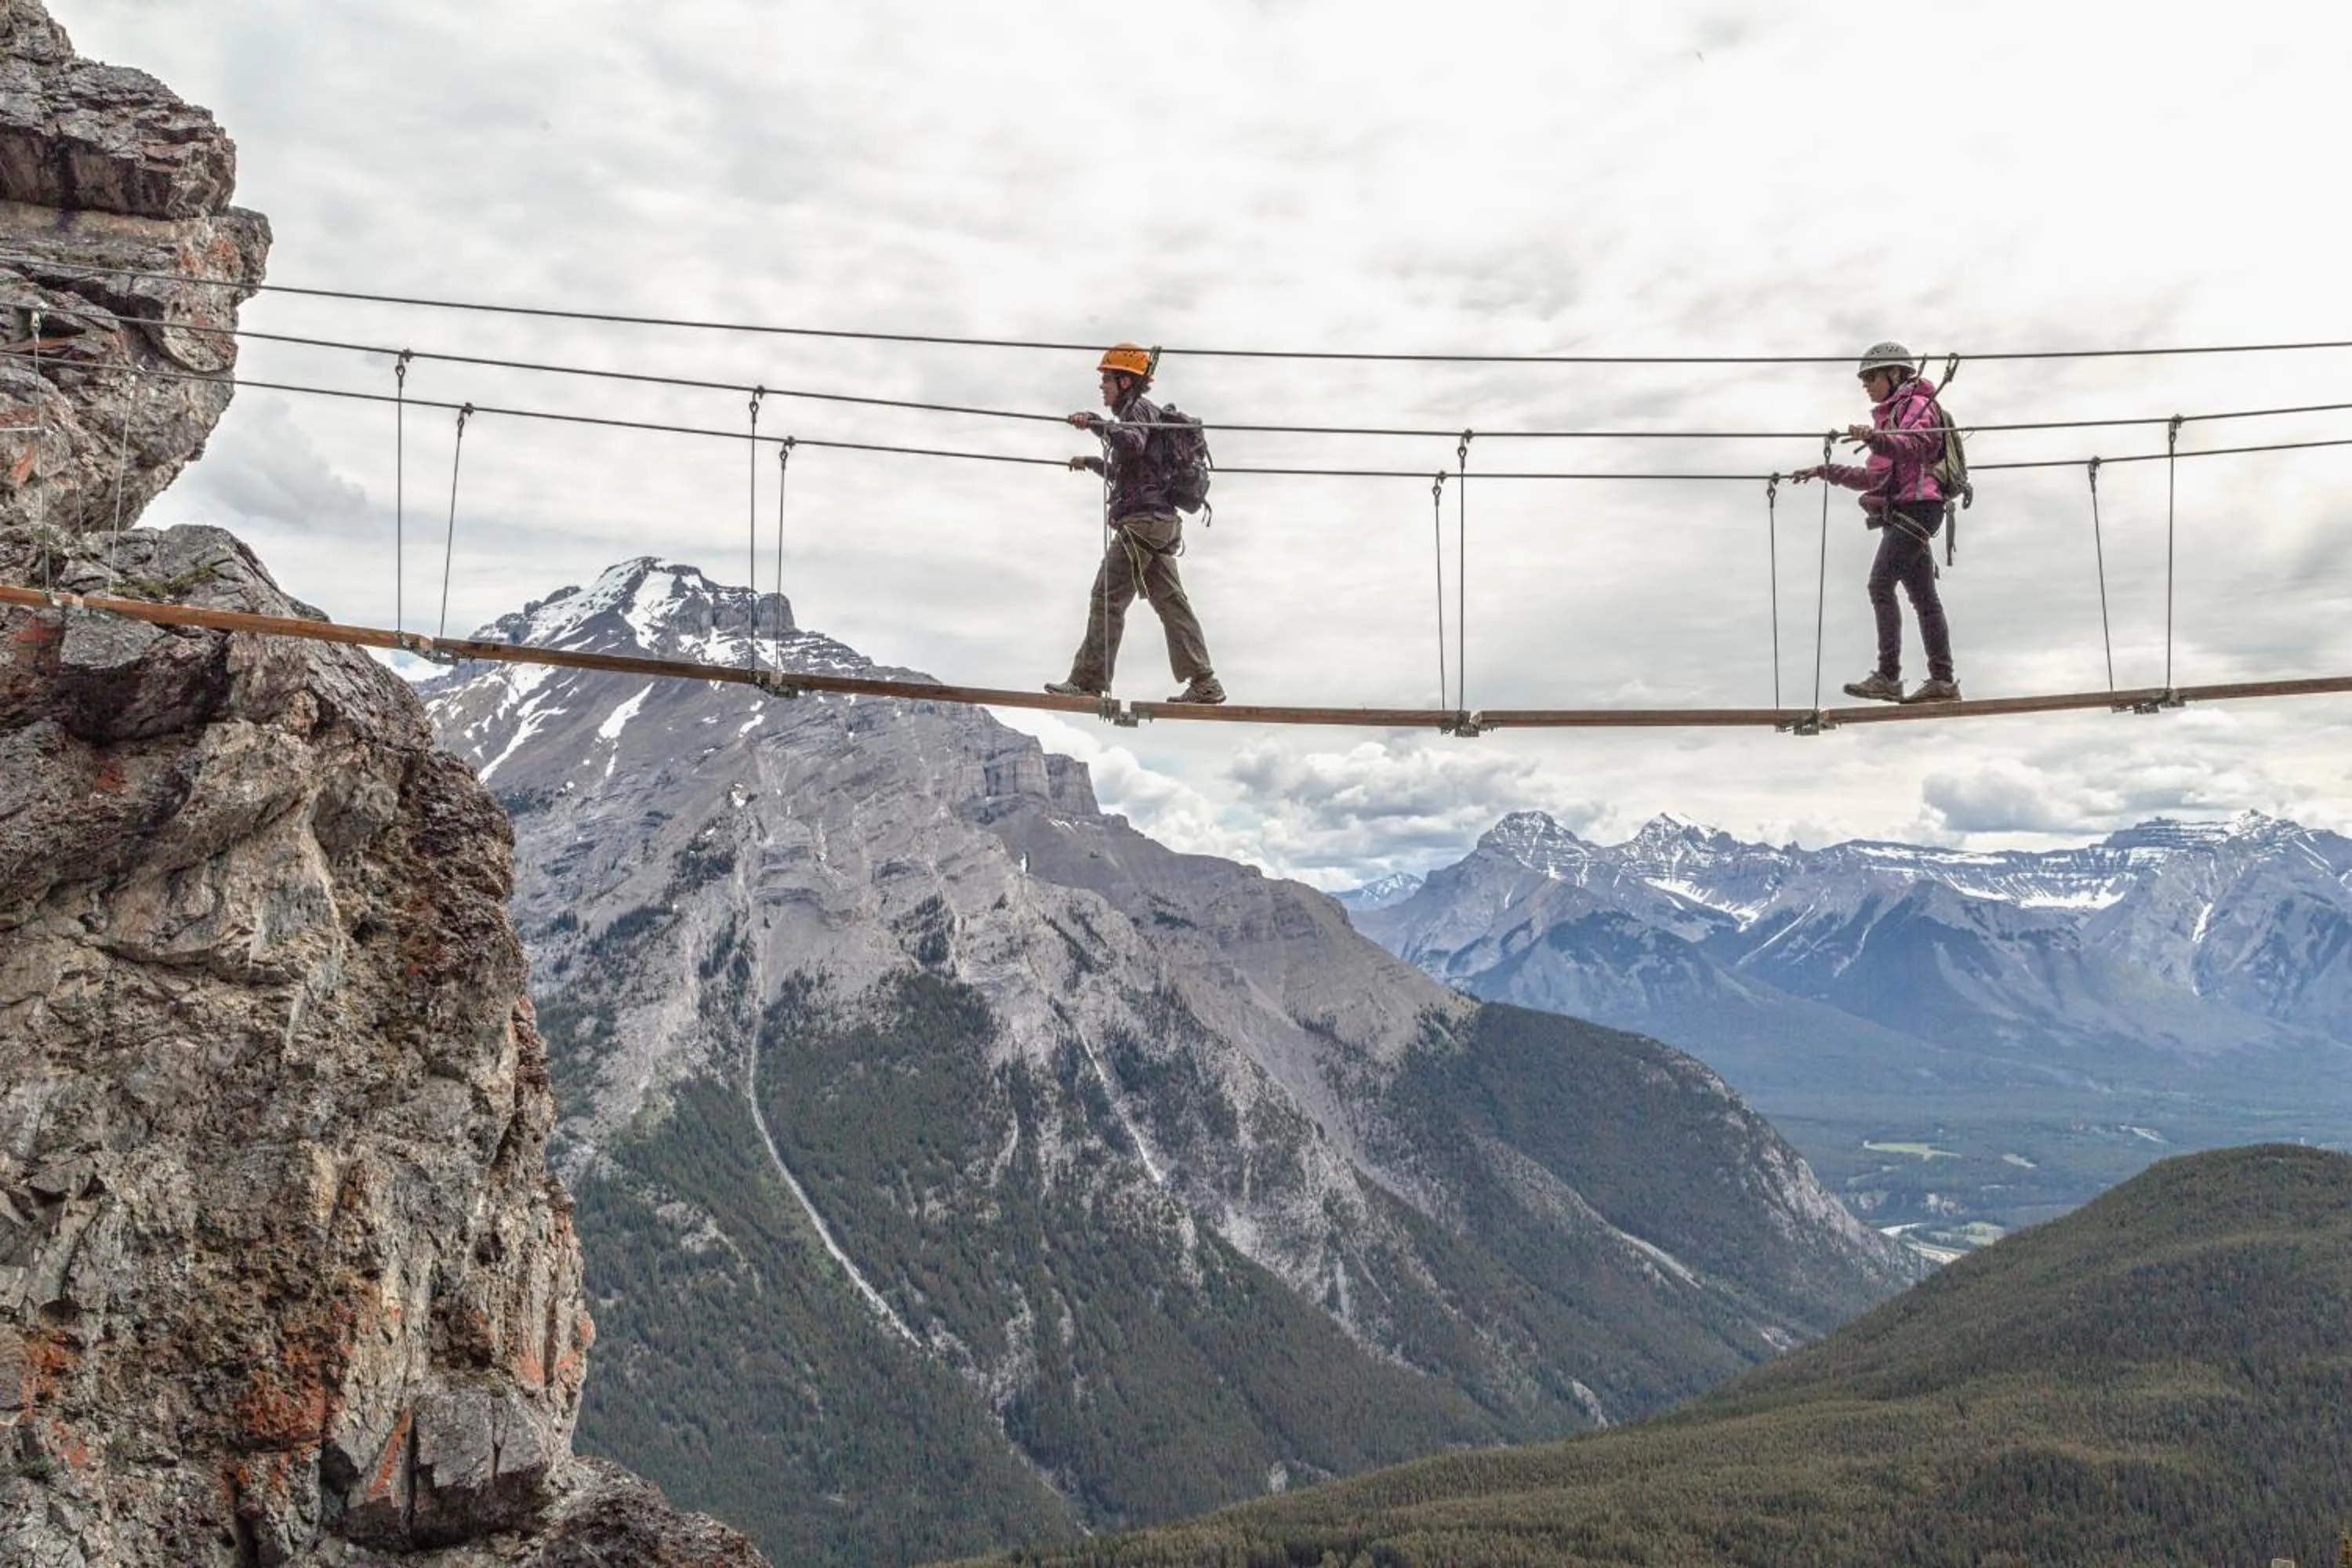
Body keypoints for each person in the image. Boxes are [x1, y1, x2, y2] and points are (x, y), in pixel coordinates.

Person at [1044, 343, 1225, 705]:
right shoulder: (1144, 414)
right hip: (1160, 524)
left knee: (1107, 598)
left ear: (1126, 381)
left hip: (1143, 525)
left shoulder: (1136, 410)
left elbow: (1130, 444)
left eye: (1107, 379)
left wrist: (1094, 422)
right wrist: (1091, 462)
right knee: (1171, 603)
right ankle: (1205, 682)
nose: (1102, 386)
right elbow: (1129, 472)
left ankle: (1088, 681)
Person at [1792, 340, 1962, 704]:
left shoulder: (1917, 405)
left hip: (1919, 507)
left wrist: (1876, 439)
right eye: (1864, 381)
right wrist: (1825, 471)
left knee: (1880, 584)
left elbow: (1914, 445)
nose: (1866, 386)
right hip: (1904, 511)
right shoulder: (1888, 417)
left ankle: (1889, 676)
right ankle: (1943, 682)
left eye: (1871, 378)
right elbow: (1874, 477)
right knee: (1924, 598)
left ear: (1895, 374)